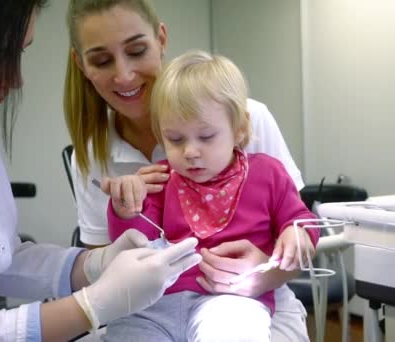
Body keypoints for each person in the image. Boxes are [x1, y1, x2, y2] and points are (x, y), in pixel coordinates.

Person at [0, 1, 201, 341]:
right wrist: (92, 306)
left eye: (19, 53)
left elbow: (1, 259)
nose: (16, 80)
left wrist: (95, 264)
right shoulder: (92, 154)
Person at [64, 0, 313, 340]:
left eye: (136, 50)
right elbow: (127, 249)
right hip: (155, 306)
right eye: (174, 139)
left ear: (240, 130)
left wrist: (274, 262)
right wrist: (124, 207)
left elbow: (298, 222)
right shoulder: (159, 174)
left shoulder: (258, 144)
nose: (191, 152)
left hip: (238, 300)